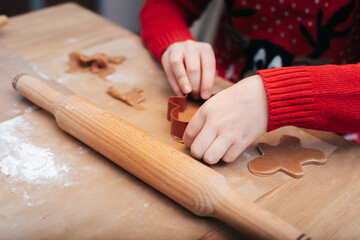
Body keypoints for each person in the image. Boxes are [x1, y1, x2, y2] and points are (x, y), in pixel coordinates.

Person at [140, 0, 360, 164]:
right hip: (218, 92)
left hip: (333, 131)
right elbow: (166, 4)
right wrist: (175, 40)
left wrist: (275, 96)